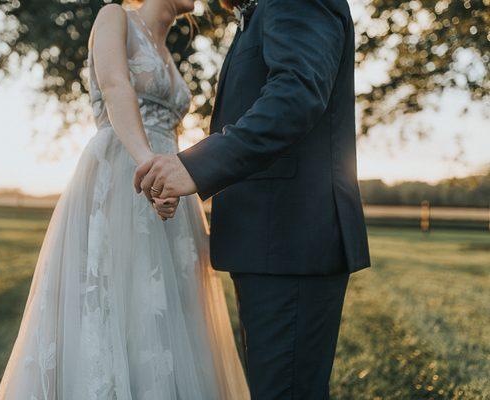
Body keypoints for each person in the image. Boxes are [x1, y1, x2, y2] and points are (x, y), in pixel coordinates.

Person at [0, 1, 249, 398]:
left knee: (170, 312)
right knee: (118, 298)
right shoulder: (115, 17)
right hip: (125, 174)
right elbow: (115, 87)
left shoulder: (168, 49)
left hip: (171, 186)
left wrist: (175, 177)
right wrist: (150, 168)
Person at [135, 0, 371, 398]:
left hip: (292, 238)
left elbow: (294, 96)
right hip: (273, 241)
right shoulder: (261, 13)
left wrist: (195, 166)